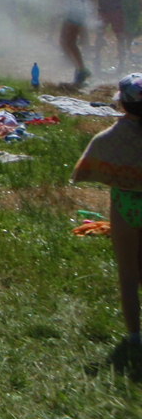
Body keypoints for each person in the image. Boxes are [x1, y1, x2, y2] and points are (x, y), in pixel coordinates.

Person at [71, 73, 142, 347]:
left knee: (128, 273)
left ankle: (134, 335)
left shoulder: (109, 137)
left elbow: (84, 170)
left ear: (121, 102)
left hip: (125, 205)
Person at [90, 0, 142, 74]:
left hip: (112, 11)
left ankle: (119, 62)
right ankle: (100, 60)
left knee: (116, 35)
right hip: (107, 10)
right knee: (106, 35)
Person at [59, 0, 92, 86]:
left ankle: (81, 70)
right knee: (66, 42)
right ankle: (79, 69)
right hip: (76, 12)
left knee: (68, 42)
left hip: (75, 12)